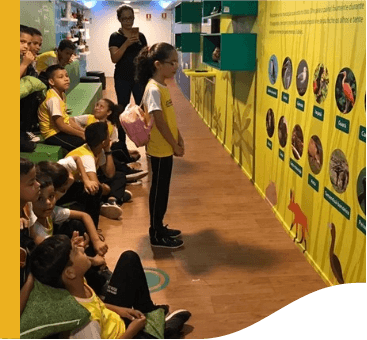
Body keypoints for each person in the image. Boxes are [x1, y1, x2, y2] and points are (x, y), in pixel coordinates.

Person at [30, 235, 192, 339]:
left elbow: (96, 304)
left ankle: (154, 317)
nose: (81, 248)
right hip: (124, 334)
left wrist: (118, 309)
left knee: (129, 258)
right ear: (70, 273)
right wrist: (132, 331)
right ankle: (163, 328)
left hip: (116, 321)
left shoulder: (77, 284)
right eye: (76, 252)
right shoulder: (85, 325)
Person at [135, 43, 185, 249]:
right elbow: (159, 121)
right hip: (159, 148)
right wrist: (174, 144)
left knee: (162, 189)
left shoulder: (161, 86)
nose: (176, 66)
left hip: (165, 146)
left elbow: (169, 117)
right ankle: (155, 232)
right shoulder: (153, 89)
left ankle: (159, 227)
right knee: (158, 191)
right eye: (171, 63)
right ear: (157, 64)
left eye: (177, 62)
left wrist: (179, 137)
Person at [66, 122, 131, 220]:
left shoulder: (98, 150)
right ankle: (110, 200)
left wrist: (108, 150)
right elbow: (95, 185)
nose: (110, 138)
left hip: (86, 182)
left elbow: (110, 174)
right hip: (72, 188)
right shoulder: (86, 156)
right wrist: (107, 189)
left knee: (119, 176)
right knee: (97, 190)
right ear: (104, 142)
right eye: (108, 136)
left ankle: (111, 200)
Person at [109, 4, 148, 164]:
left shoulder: (141, 36)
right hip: (122, 78)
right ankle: (122, 146)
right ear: (119, 19)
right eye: (124, 18)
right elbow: (114, 58)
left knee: (143, 110)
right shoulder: (115, 37)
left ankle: (148, 144)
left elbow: (146, 57)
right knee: (122, 110)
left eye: (130, 18)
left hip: (139, 78)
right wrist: (126, 44)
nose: (128, 21)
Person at [74, 98, 148, 181]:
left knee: (118, 147)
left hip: (104, 149)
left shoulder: (111, 126)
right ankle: (127, 167)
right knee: (116, 149)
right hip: (94, 148)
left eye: (101, 107)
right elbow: (71, 120)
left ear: (108, 112)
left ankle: (126, 164)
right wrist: (81, 132)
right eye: (97, 105)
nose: (97, 108)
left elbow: (114, 141)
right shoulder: (88, 118)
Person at [38, 64, 85, 151]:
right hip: (52, 135)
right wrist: (81, 134)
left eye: (67, 76)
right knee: (83, 144)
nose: (66, 79)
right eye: (61, 77)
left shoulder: (62, 94)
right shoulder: (53, 99)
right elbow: (61, 126)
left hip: (60, 131)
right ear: (51, 82)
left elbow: (67, 119)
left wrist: (82, 131)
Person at [20, 158, 40, 315]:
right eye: (31, 182)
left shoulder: (27, 205)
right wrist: (31, 279)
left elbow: (34, 238)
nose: (38, 185)